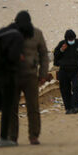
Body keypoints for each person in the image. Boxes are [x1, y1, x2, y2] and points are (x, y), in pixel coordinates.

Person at [0, 13, 29, 148]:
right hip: (6, 75)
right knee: (7, 105)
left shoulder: (1, 32)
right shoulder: (17, 36)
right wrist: (20, 58)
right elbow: (12, 56)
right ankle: (4, 138)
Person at [9, 11, 49, 146]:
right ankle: (12, 137)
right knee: (12, 108)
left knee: (33, 107)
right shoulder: (10, 34)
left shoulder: (37, 34)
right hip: (13, 76)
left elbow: (44, 55)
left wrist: (43, 74)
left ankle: (34, 135)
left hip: (31, 76)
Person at [53, 30, 78, 114]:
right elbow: (56, 56)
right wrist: (61, 50)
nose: (71, 41)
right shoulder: (62, 44)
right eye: (69, 39)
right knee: (65, 89)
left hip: (76, 70)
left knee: (76, 87)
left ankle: (76, 106)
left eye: (72, 39)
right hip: (64, 70)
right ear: (66, 39)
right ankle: (68, 108)